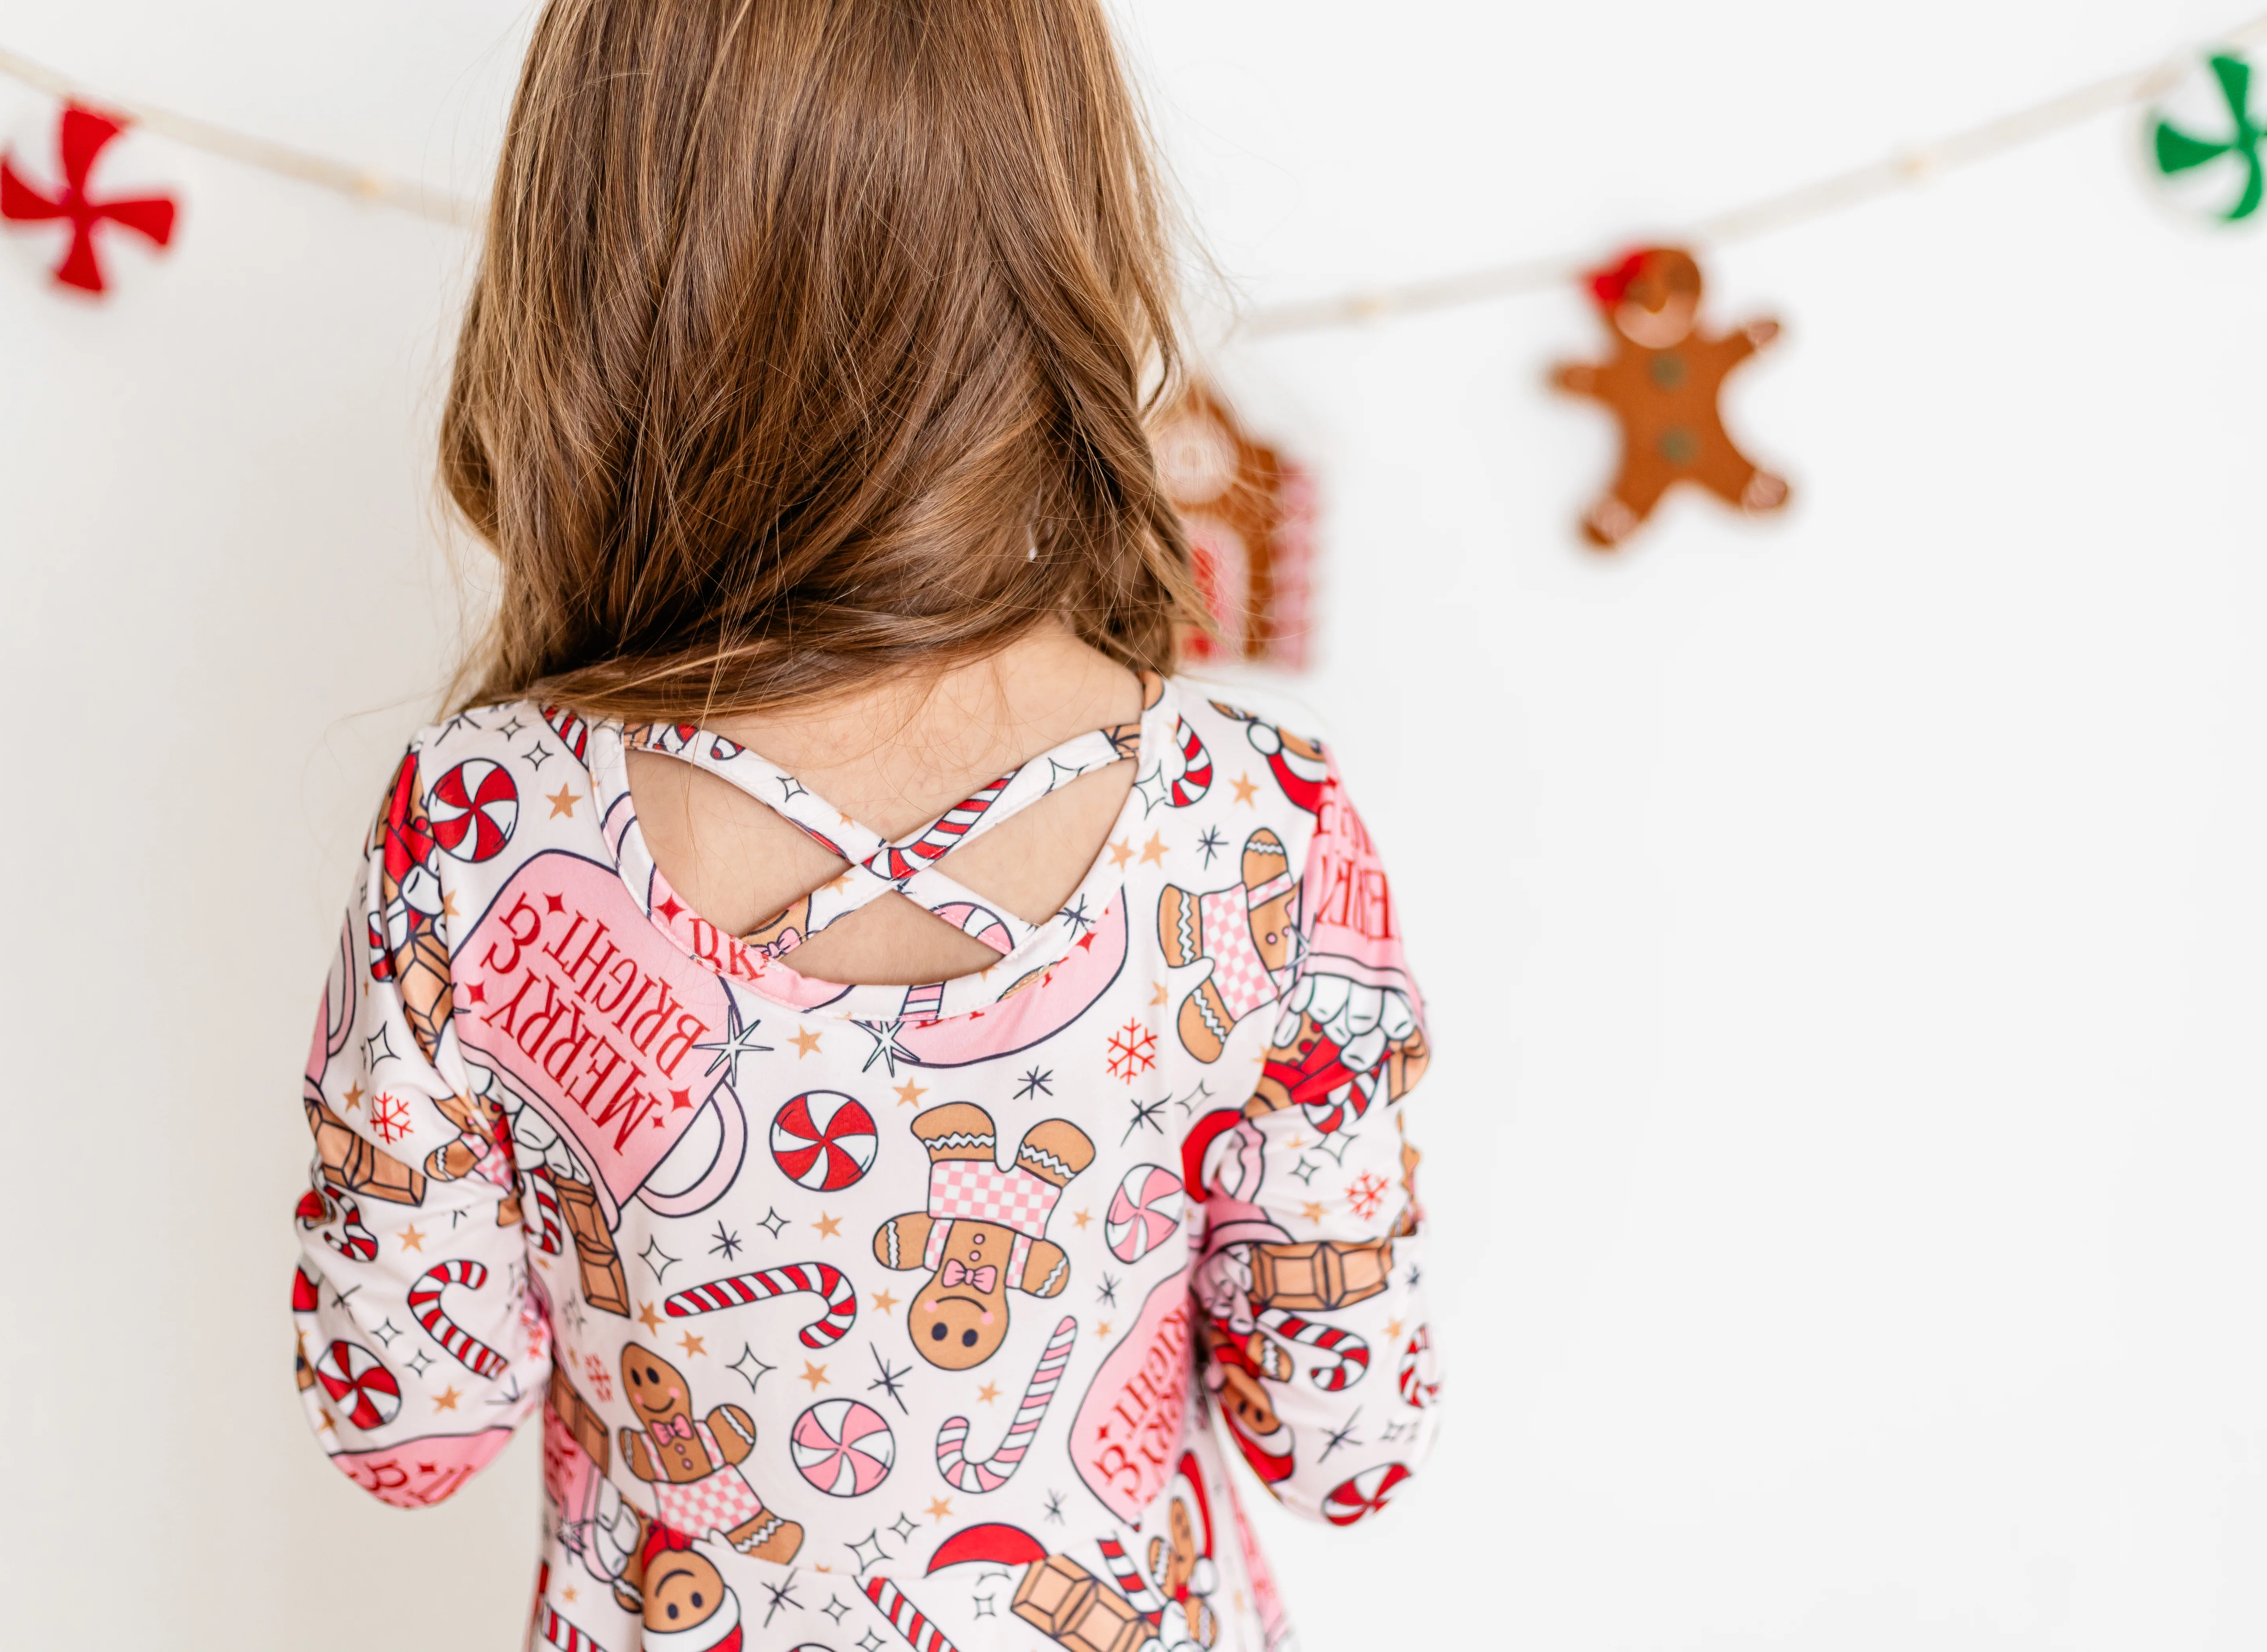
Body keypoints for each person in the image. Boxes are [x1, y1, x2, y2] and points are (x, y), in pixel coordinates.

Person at [287, 2, 1443, 1646]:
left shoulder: (479, 830)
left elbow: (403, 1422)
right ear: (1065, 239)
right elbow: (1350, 1442)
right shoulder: (1259, 832)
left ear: (590, 258)